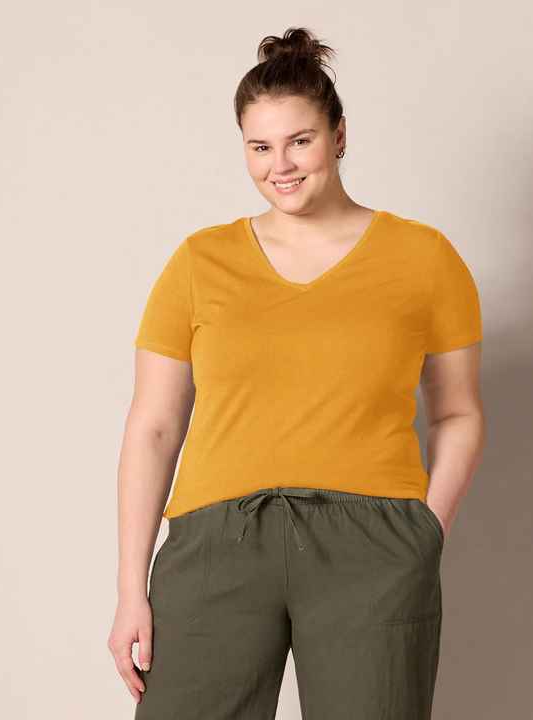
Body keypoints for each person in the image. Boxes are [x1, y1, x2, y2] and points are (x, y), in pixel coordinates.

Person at [108, 26, 485, 720]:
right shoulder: (199, 262)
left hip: (372, 544)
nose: (279, 165)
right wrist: (131, 589)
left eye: (299, 141)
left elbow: (458, 412)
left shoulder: (424, 259)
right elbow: (154, 425)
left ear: (339, 137)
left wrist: (426, 532)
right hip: (217, 543)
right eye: (260, 147)